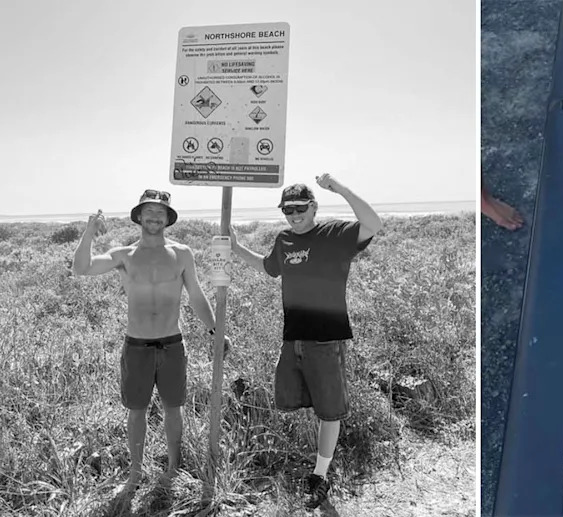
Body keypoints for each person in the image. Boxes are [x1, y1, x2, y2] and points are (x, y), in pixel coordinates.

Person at [230, 174, 382, 512]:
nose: (294, 215)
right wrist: (237, 249)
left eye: (300, 208)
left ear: (313, 207)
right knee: (291, 399)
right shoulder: (284, 239)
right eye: (288, 210)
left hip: (327, 338)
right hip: (293, 339)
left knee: (329, 410)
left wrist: (339, 188)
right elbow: (268, 268)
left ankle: (320, 475)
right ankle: (312, 456)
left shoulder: (334, 234)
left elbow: (373, 223)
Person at [72, 190, 227, 494]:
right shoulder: (124, 255)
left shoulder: (182, 253)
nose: (155, 217)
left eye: (160, 212)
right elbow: (82, 268)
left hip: (172, 344)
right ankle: (135, 473)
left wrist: (215, 330)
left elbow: (196, 295)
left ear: (168, 218)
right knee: (136, 411)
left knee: (174, 409)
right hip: (137, 345)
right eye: (149, 211)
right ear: (139, 216)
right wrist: (89, 231)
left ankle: (173, 468)